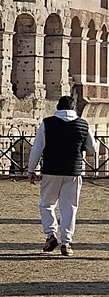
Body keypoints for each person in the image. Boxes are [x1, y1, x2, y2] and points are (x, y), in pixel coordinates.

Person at [26, 94, 99, 256]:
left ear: (57, 107)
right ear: (73, 108)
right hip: (73, 171)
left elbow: (37, 148)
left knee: (47, 204)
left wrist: (31, 169)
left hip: (51, 170)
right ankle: (66, 242)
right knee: (69, 207)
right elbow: (92, 148)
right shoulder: (83, 124)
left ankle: (50, 235)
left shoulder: (47, 123)